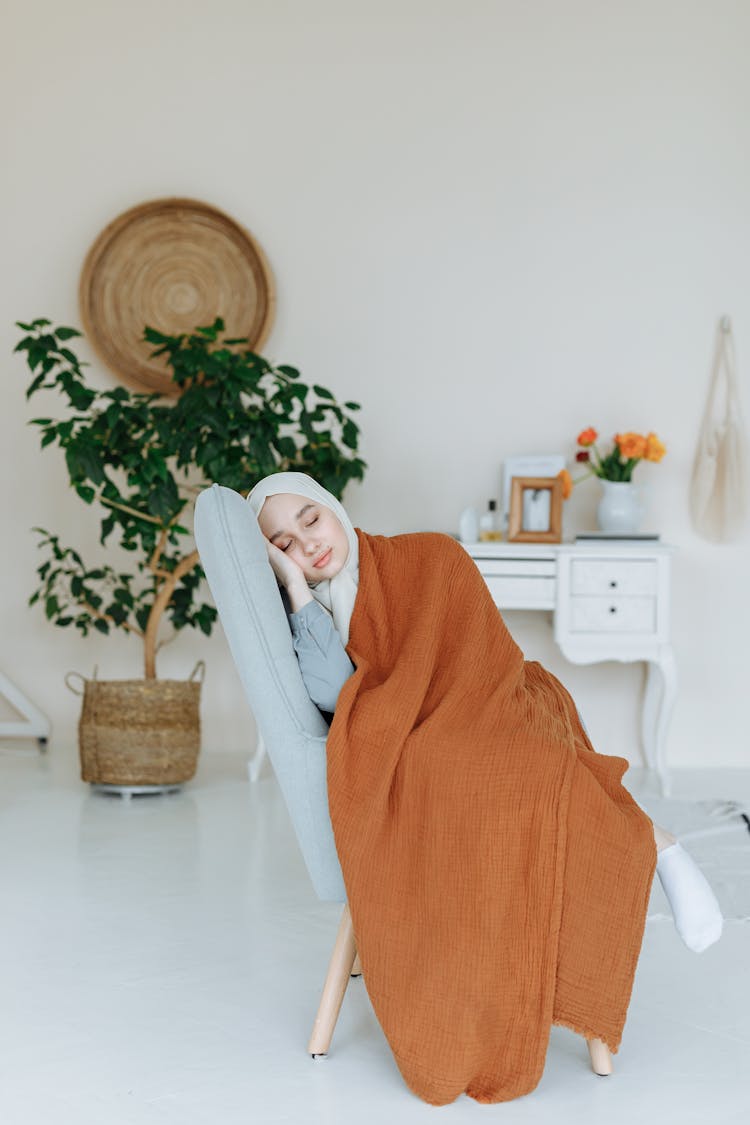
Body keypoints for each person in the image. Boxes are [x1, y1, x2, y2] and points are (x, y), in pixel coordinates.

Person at [246, 471, 724, 956]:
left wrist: (463, 702)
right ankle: (652, 843)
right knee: (463, 765)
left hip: (497, 697)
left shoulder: (427, 555)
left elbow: (482, 655)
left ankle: (656, 845)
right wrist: (296, 588)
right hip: (418, 733)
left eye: (312, 520)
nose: (308, 545)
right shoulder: (309, 618)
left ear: (332, 508)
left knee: (525, 754)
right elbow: (334, 693)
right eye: (285, 545)